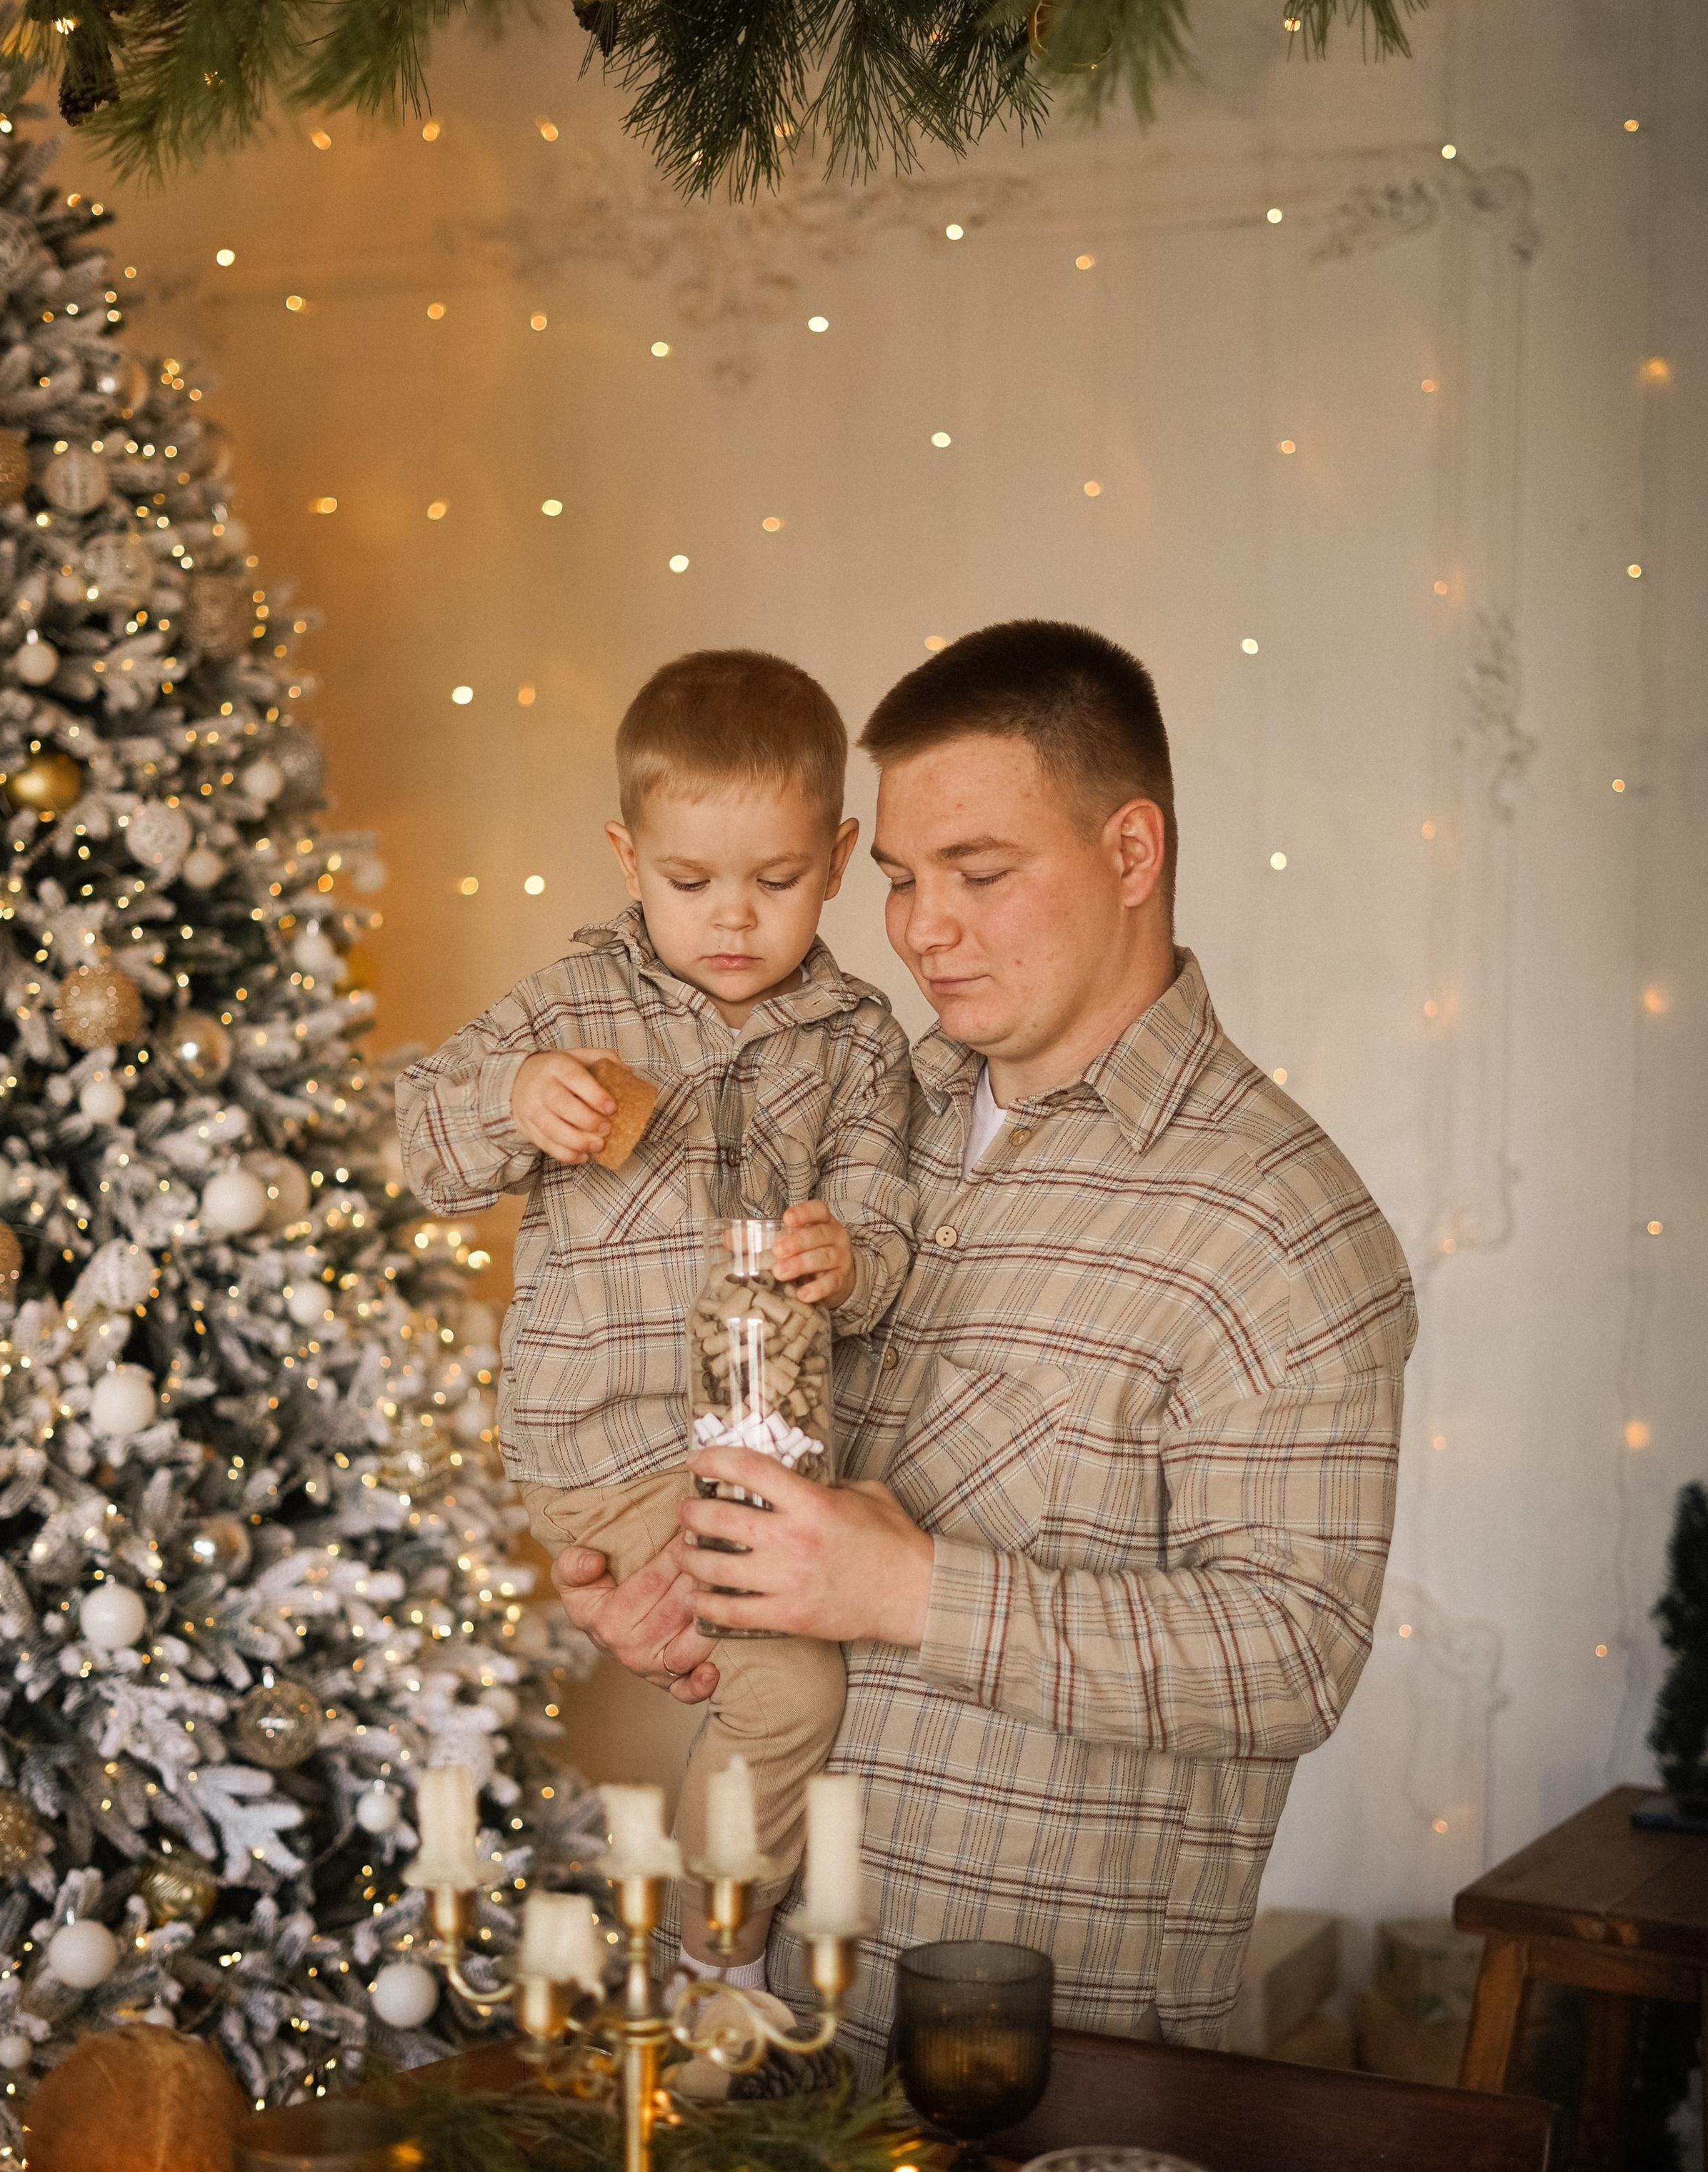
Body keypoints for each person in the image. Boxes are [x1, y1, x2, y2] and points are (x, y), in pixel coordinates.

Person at [553, 619, 1417, 2058]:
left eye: (978, 872)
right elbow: (747, 1445)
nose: (917, 928)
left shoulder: (1279, 1223)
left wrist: (905, 1589)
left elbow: (1292, 1654)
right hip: (754, 2019)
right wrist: (667, 1577)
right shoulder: (848, 1116)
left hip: (1040, 2083)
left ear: (1129, 853)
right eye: (894, 878)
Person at [397, 649, 912, 1982]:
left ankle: (709, 1956)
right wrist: (512, 1099)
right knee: (792, 1687)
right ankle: (712, 1970)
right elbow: (422, 1147)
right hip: (603, 1444)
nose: (732, 919)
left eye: (778, 880)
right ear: (629, 858)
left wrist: (851, 1256)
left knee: (800, 1677)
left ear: (842, 854)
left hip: (755, 1447)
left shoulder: (858, 1043)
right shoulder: (570, 1010)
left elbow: (890, 1223)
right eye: (691, 883)